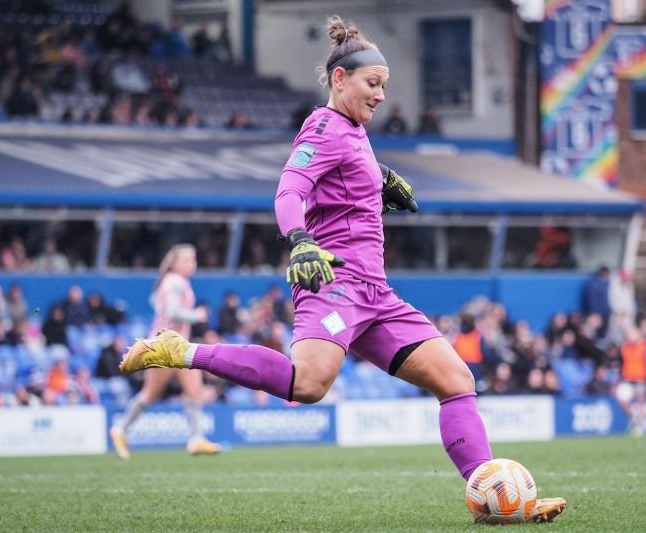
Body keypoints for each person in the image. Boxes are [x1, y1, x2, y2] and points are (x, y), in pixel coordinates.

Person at [119, 16, 564, 523]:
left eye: (384, 86)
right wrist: (300, 241)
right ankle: (182, 350)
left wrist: (381, 180)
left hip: (376, 293)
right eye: (372, 84)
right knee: (308, 385)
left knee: (456, 378)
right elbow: (289, 191)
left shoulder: (354, 130)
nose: (380, 96)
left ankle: (492, 496)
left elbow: (347, 175)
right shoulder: (325, 126)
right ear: (339, 79)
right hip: (334, 284)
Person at [110, 244, 219, 459]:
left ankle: (196, 438)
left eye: (193, 259)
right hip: (164, 346)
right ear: (174, 263)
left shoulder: (174, 282)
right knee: (151, 394)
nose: (192, 264)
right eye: (187, 260)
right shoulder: (174, 282)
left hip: (177, 344)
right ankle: (120, 429)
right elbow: (172, 311)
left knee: (194, 390)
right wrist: (196, 315)